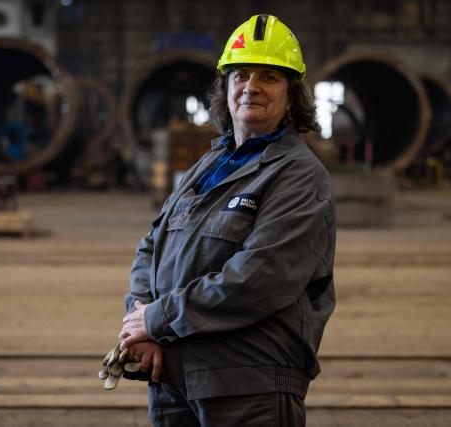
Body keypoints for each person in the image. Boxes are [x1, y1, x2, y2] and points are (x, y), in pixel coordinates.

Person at [118, 14, 336, 427]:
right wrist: (141, 324)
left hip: (247, 383)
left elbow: (259, 280)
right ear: (226, 88)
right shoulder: (209, 164)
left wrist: (157, 319)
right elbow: (152, 245)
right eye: (240, 75)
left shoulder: (298, 175)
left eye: (269, 77)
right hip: (174, 376)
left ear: (292, 97)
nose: (251, 87)